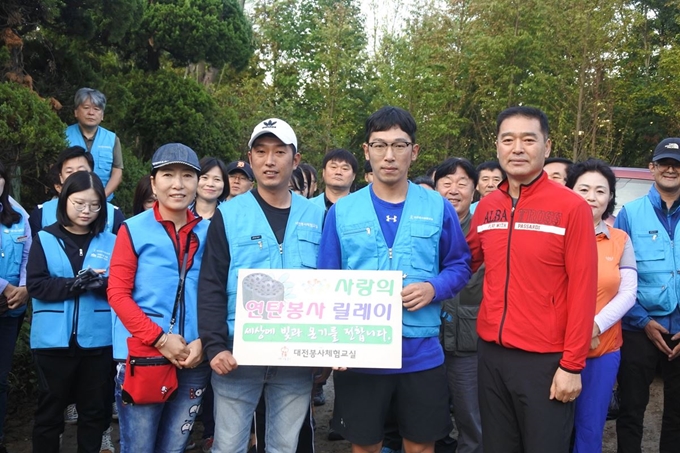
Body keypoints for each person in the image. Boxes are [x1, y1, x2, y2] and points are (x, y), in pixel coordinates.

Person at [318, 106, 471, 453]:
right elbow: (326, 281)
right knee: (366, 447)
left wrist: (434, 288)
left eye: (399, 146)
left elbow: (460, 265)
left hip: (420, 354)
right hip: (360, 354)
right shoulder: (342, 211)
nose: (389, 156)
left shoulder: (437, 206)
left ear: (413, 152)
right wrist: (334, 343)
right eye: (380, 145)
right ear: (366, 150)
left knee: (420, 446)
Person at [466, 106, 597, 453]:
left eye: (529, 139)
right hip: (491, 355)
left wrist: (572, 365)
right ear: (497, 147)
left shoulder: (571, 207)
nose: (518, 148)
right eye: (508, 140)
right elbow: (462, 262)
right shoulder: (487, 207)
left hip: (546, 360)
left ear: (547, 146)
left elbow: (585, 289)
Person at [197, 118, 324, 453]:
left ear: (295, 160)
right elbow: (210, 283)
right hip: (237, 357)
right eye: (262, 152)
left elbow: (331, 283)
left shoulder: (317, 216)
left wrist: (329, 349)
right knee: (228, 447)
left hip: (296, 360)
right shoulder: (229, 214)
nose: (270, 161)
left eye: (279, 152)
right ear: (250, 158)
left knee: (284, 447)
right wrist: (215, 346)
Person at [107, 144, 210, 452]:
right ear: (153, 183)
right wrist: (161, 339)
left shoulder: (210, 232)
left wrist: (204, 340)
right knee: (139, 447)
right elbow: (117, 293)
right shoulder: (133, 229)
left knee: (174, 447)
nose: (178, 184)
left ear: (197, 183)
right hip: (144, 357)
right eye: (168, 175)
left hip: (193, 357)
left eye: (187, 176)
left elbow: (218, 292)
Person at [27, 171, 115, 453]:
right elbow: (36, 285)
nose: (87, 211)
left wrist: (99, 284)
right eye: (79, 203)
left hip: (98, 341)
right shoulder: (44, 238)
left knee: (94, 413)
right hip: (53, 341)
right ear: (64, 200)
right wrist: (74, 284)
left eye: (95, 205)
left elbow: (121, 287)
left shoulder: (111, 241)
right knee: (49, 414)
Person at [562, 158, 637, 452]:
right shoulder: (555, 236)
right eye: (584, 189)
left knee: (589, 430)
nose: (591, 197)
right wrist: (576, 330)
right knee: (550, 429)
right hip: (553, 349)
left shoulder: (620, 239)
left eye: (600, 191)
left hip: (601, 350)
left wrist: (593, 325)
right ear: (569, 192)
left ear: (610, 198)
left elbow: (629, 292)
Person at [613, 137, 680, 453]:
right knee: (631, 410)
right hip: (639, 327)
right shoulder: (630, 213)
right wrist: (642, 320)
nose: (671, 169)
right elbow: (619, 274)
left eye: (677, 165)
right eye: (664, 163)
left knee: (677, 414)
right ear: (652, 168)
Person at [434, 158, 483, 453]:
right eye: (446, 183)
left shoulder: (486, 230)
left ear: (474, 191)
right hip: (428, 339)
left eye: (462, 183)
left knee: (471, 417)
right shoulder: (423, 228)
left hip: (470, 342)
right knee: (425, 416)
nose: (454, 190)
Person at [0, 162, 31, 453]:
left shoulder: (18, 213)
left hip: (10, 310)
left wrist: (23, 287)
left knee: (1, 378)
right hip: (5, 295)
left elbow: (27, 255)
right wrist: (4, 286)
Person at [30, 146, 124, 235]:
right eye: (69, 172)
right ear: (61, 177)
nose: (76, 176)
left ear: (91, 174)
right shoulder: (41, 213)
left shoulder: (113, 214)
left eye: (81, 171)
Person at [65, 88, 123, 200]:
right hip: (68, 200)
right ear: (76, 112)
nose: (91, 113)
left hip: (103, 201)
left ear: (102, 115)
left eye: (96, 109)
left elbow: (117, 173)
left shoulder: (112, 139)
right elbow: (54, 169)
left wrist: (101, 196)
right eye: (86, 108)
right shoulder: (63, 135)